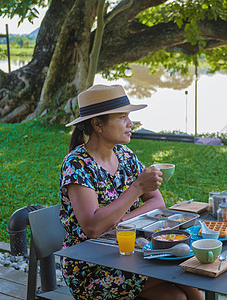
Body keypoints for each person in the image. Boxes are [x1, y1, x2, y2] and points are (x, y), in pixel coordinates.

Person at [59, 84, 204, 300]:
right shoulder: (78, 164)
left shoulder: (125, 155)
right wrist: (137, 188)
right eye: (122, 117)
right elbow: (93, 228)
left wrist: (120, 221)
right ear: (98, 124)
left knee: (178, 297)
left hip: (131, 253)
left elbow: (157, 203)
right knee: (185, 273)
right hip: (92, 267)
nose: (130, 123)